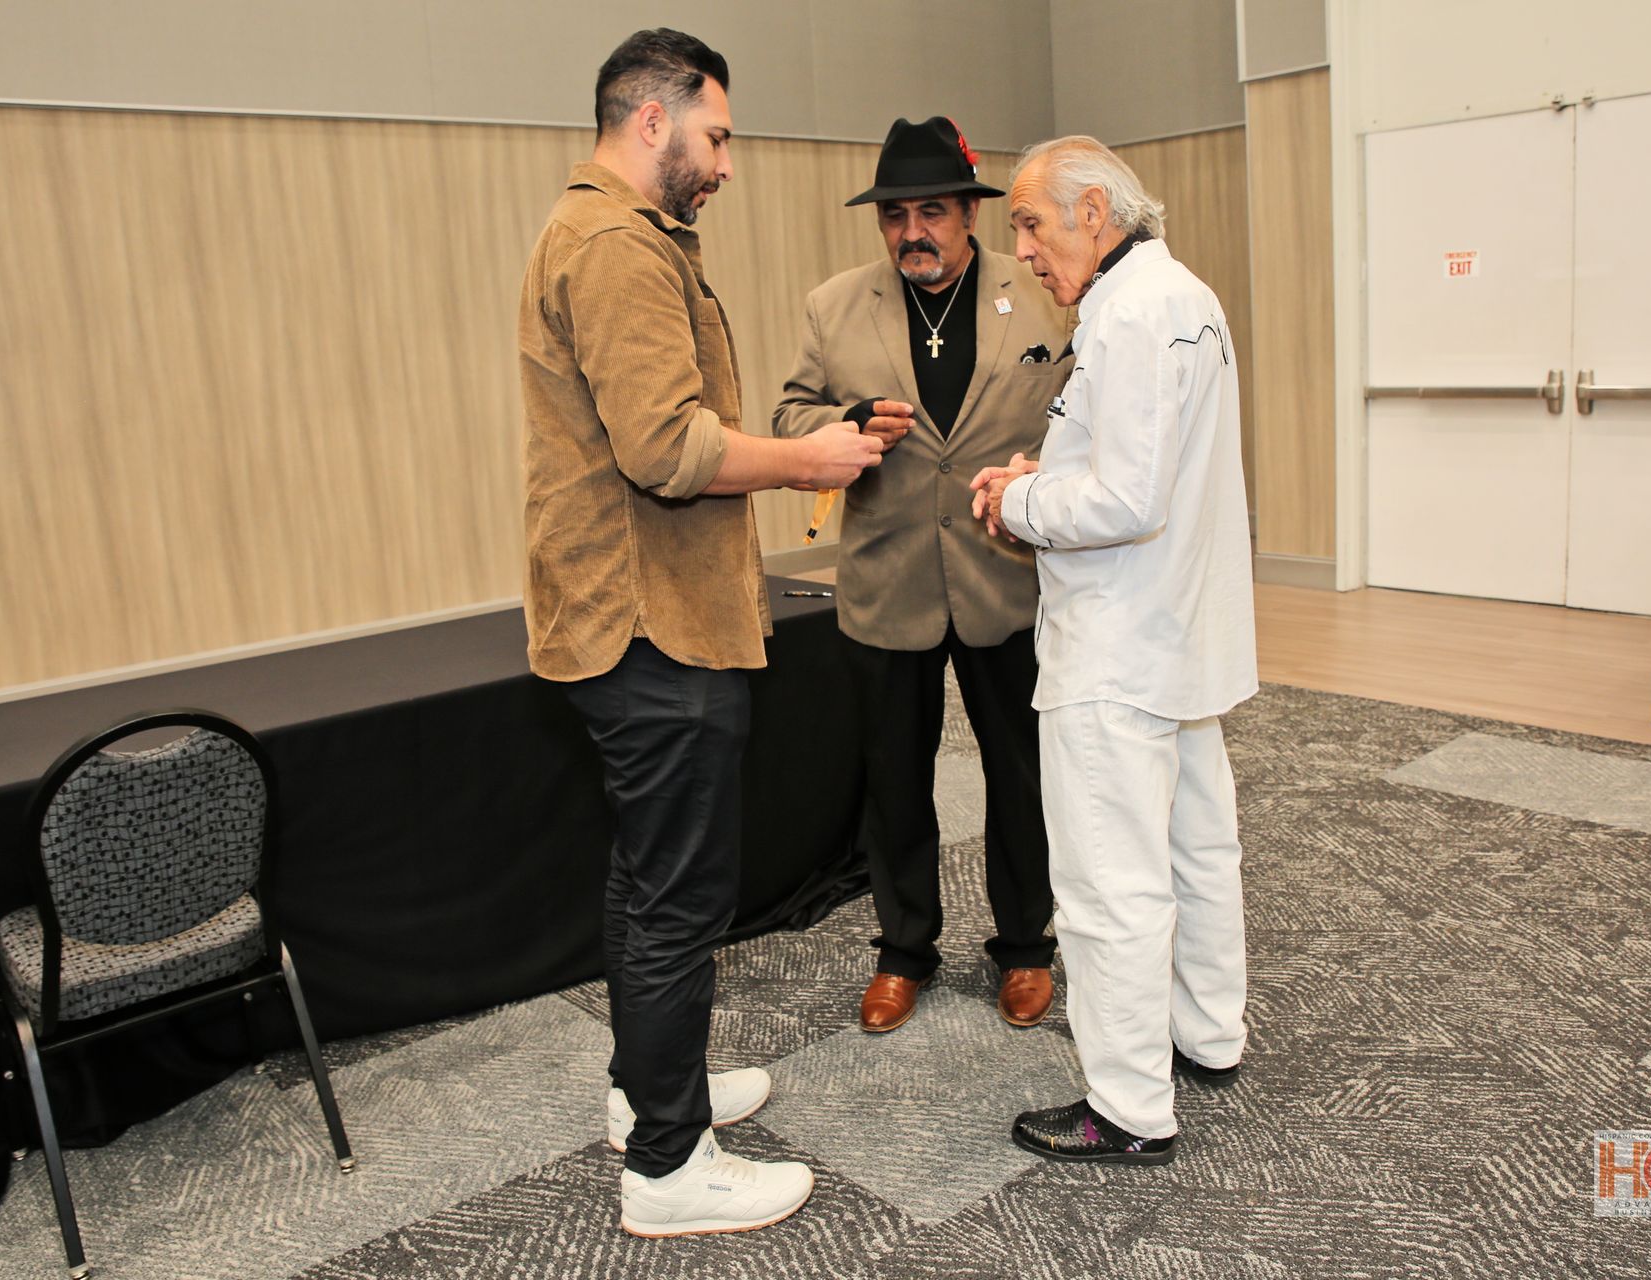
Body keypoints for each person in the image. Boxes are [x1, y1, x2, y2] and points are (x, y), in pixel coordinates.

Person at [518, 28, 883, 1236]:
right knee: (677, 897)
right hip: (649, 625)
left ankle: (647, 1091)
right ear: (651, 121)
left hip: (638, 616)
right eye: (717, 135)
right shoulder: (616, 244)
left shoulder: (612, 234)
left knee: (644, 879)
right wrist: (806, 459)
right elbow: (667, 449)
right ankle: (669, 1169)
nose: (727, 161)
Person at [970, 136, 1256, 1165]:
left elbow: (1128, 497)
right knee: (1196, 842)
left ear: (1094, 213)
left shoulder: (1128, 313)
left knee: (1106, 882)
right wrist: (1045, 471)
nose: (1023, 248)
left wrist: (1018, 497)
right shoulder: (1184, 294)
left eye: (1031, 222)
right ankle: (1206, 1032)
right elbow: (1142, 462)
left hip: (1120, 641)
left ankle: (1128, 1105)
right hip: (1179, 630)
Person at [773, 117, 1067, 1035]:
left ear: (969, 214)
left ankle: (1025, 945)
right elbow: (789, 419)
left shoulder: (1044, 295)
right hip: (886, 579)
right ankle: (905, 951)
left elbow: (1081, 418)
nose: (912, 233)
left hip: (1005, 578)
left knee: (1020, 775)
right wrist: (843, 423)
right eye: (895, 216)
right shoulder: (834, 306)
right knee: (894, 778)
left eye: (931, 212)